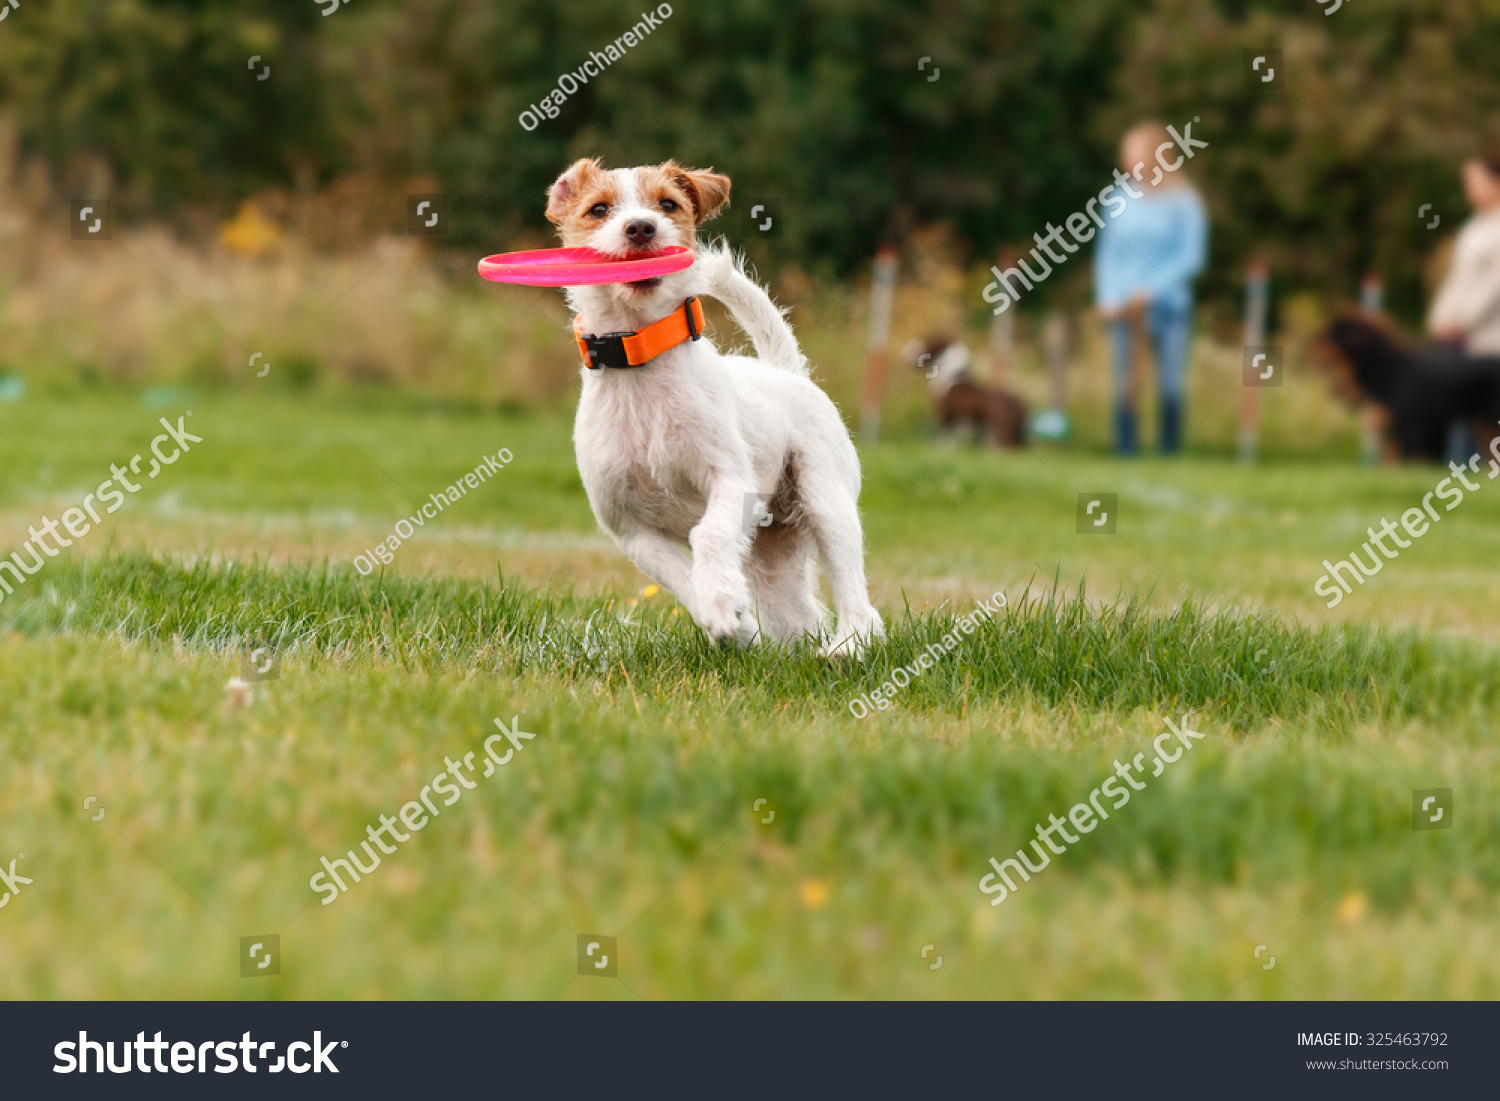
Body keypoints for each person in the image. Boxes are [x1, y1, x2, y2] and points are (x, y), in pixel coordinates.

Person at [1094, 121, 1209, 455]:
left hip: (1169, 305)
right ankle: (1126, 450)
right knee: (1127, 380)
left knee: (1171, 383)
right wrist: (1109, 297)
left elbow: (1191, 256)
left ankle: (1169, 450)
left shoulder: (1184, 201)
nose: (1127, 160)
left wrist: (1152, 289)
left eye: (1133, 152)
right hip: (1125, 308)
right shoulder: (1119, 198)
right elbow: (1108, 254)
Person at [1427, 146, 1500, 461]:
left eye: (1476, 180)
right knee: (1467, 417)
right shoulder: (1473, 228)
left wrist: (1463, 321)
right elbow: (1456, 282)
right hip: (1464, 343)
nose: (1469, 187)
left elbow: (1493, 285)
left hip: (1491, 341)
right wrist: (1440, 319)